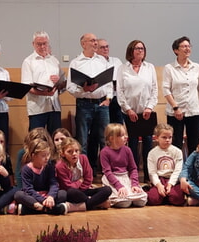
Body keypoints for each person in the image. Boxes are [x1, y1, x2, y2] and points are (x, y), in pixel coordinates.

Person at [67, 33, 112, 172]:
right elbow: (70, 87)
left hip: (101, 104)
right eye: (92, 40)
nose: (95, 43)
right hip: (84, 104)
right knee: (83, 140)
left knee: (105, 139)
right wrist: (84, 89)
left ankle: (106, 172)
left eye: (95, 40)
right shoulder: (76, 63)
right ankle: (83, 172)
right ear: (83, 44)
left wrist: (108, 99)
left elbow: (109, 82)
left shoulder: (102, 61)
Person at [116, 40, 158, 181]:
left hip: (146, 113)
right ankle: (133, 176)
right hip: (130, 113)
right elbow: (120, 91)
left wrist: (149, 107)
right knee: (132, 146)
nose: (140, 50)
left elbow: (154, 90)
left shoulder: (149, 67)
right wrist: (128, 109)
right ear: (131, 51)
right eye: (137, 48)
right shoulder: (123, 68)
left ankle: (148, 175)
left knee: (148, 145)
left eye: (142, 48)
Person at [162, 36, 199, 156]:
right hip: (175, 112)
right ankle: (177, 172)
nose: (187, 48)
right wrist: (175, 107)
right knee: (176, 143)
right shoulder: (169, 68)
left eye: (189, 46)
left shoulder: (196, 67)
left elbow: (198, 86)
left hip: (193, 110)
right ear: (176, 50)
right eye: (184, 46)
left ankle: (193, 172)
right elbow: (166, 89)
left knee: (194, 143)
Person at [21, 31, 63, 135]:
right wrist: (45, 93)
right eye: (39, 44)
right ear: (33, 44)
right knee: (37, 140)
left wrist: (59, 81)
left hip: (54, 106)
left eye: (45, 43)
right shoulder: (28, 61)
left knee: (56, 138)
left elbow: (63, 83)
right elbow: (26, 87)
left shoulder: (54, 61)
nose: (42, 46)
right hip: (37, 108)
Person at [56, 137, 111, 211]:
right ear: (63, 154)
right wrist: (79, 181)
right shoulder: (60, 166)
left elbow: (89, 178)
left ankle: (86, 204)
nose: (74, 154)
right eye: (70, 152)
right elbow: (68, 186)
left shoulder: (83, 159)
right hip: (71, 193)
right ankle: (96, 203)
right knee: (72, 192)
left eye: (76, 151)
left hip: (84, 190)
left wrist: (82, 188)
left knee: (107, 190)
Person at [14, 139, 68, 215]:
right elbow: (28, 189)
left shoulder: (49, 166)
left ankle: (31, 210)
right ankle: (51, 209)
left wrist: (50, 196)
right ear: (33, 156)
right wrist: (43, 200)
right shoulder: (26, 169)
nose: (47, 158)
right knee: (19, 195)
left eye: (48, 155)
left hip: (47, 195)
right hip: (34, 197)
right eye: (43, 156)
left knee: (62, 193)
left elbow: (53, 183)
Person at [100, 123, 147, 207]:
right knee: (124, 203)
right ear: (111, 138)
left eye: (125, 134)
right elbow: (107, 172)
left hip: (125, 177)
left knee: (140, 201)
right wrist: (118, 186)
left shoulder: (127, 150)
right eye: (122, 135)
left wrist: (135, 184)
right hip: (112, 179)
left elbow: (133, 169)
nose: (126, 137)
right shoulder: (104, 152)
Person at [146, 124, 185, 206]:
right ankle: (161, 194)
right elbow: (152, 172)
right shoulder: (152, 153)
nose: (167, 140)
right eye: (164, 137)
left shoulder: (177, 151)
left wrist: (170, 184)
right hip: (160, 179)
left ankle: (168, 195)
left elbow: (178, 171)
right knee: (153, 199)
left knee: (177, 199)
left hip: (173, 179)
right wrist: (159, 185)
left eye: (170, 137)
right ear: (156, 138)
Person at [97, 38, 123, 124]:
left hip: (116, 97)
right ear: (96, 49)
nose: (105, 49)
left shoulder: (116, 61)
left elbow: (123, 77)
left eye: (107, 46)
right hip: (102, 97)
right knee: (104, 126)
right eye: (102, 47)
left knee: (118, 125)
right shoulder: (94, 62)